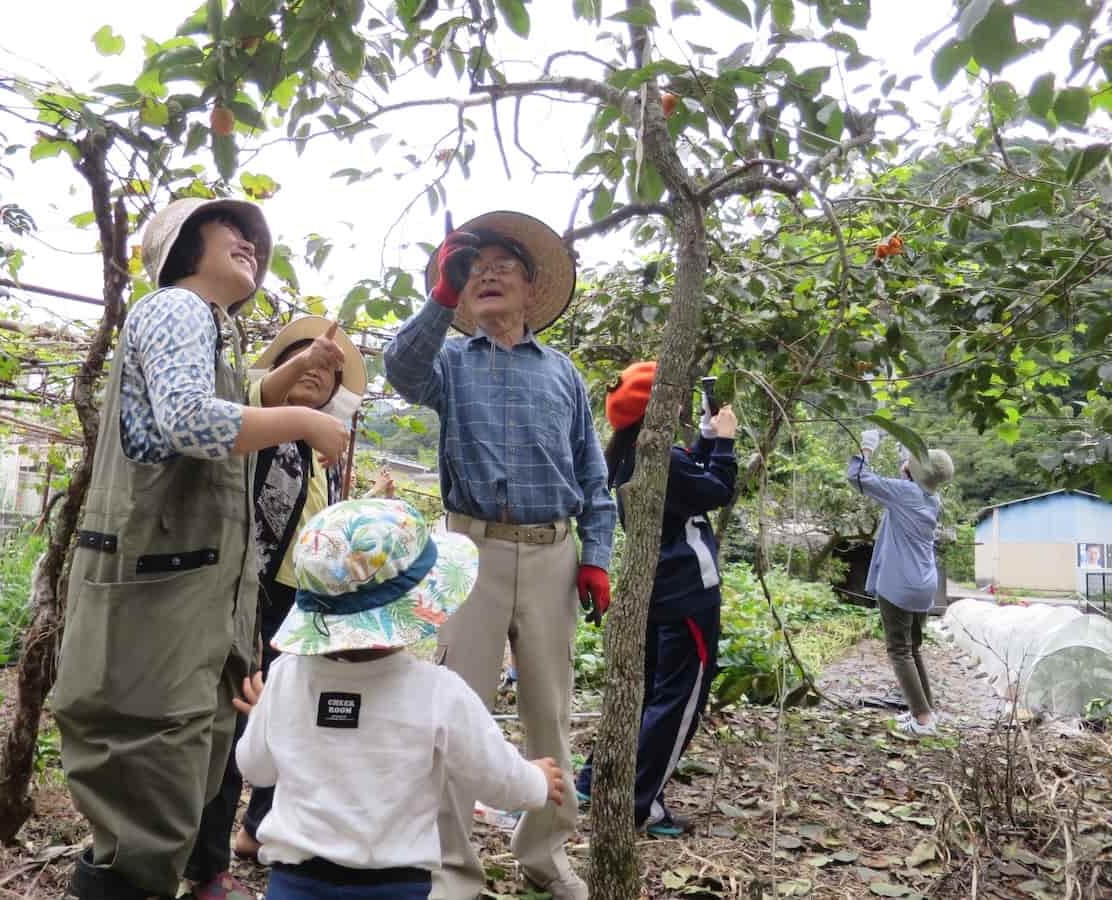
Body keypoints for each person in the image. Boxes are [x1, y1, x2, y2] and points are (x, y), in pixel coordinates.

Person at [51, 198, 350, 900]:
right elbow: (188, 421)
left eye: (254, 236)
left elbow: (211, 405)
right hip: (156, 604)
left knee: (168, 793)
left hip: (182, 600)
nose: (249, 241)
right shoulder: (176, 308)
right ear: (185, 245)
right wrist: (305, 416)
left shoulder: (208, 327)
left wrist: (287, 380)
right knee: (146, 794)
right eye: (231, 232)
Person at [383, 211, 616, 900]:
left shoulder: (564, 374)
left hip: (552, 552)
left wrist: (596, 557)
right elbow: (400, 369)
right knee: (458, 704)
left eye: (502, 266)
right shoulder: (450, 364)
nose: (487, 274)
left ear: (530, 286)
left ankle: (544, 851)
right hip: (471, 549)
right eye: (473, 266)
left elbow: (595, 480)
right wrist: (440, 295)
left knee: (550, 709)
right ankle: (455, 869)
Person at [234, 498, 566, 900]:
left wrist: (263, 718)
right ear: (418, 604)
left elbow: (257, 769)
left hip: (295, 884)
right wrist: (536, 782)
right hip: (394, 887)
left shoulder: (287, 676)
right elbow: (494, 776)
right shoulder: (438, 692)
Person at [187, 315, 372, 896]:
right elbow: (251, 397)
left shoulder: (325, 451)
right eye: (305, 360)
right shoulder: (258, 429)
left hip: (304, 605)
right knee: (238, 719)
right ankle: (207, 863)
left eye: (329, 370)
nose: (316, 372)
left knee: (290, 717)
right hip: (251, 597)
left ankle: (258, 829)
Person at [574, 362, 738, 836]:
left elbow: (691, 477)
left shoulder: (631, 456)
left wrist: (707, 440)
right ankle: (640, 805)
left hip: (656, 590)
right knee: (677, 700)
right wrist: (724, 443)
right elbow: (716, 489)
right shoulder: (663, 460)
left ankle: (594, 779)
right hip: (689, 594)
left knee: (643, 697)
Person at [847, 429, 954, 738]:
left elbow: (857, 478)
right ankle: (926, 714)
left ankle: (921, 718)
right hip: (924, 584)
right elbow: (912, 477)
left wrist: (867, 448)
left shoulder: (905, 494)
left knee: (899, 650)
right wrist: (902, 453)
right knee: (914, 647)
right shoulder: (932, 496)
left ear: (913, 470)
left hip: (899, 583)